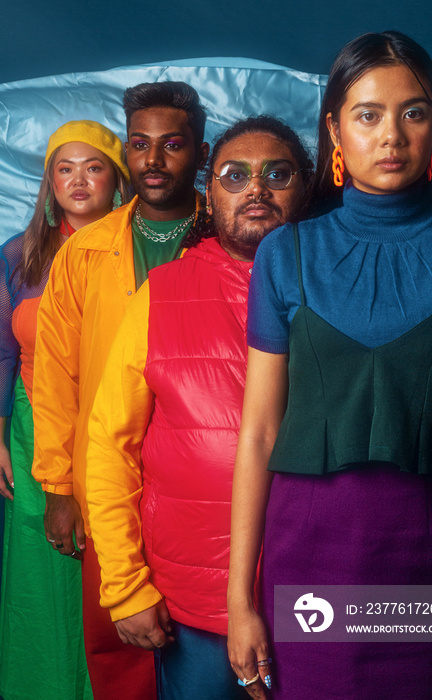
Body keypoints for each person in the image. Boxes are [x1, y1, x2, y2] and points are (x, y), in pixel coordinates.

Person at [228, 31, 432, 700]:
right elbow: (259, 435)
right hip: (310, 561)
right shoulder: (285, 253)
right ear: (334, 129)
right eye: (368, 114)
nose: (391, 134)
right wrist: (240, 599)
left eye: (414, 112)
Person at [85, 116, 313, 700]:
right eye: (236, 176)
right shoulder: (160, 293)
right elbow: (110, 444)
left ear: (306, 188)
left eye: (277, 174)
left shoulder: (337, 288)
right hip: (193, 602)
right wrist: (127, 586)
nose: (256, 189)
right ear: (208, 195)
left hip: (315, 590)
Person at [31, 82, 210, 700]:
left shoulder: (229, 236)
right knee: (118, 645)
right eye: (139, 145)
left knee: (208, 639)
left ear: (200, 152)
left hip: (204, 478)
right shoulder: (84, 252)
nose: (153, 161)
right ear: (127, 154)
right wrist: (58, 487)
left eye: (172, 144)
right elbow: (55, 377)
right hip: (108, 475)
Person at [0, 119, 130, 700]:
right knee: (43, 570)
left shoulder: (135, 250)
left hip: (115, 424)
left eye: (94, 166)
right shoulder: (18, 256)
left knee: (112, 562)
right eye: (64, 168)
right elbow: (2, 349)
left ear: (117, 180)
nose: (78, 181)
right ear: (49, 183)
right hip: (34, 430)